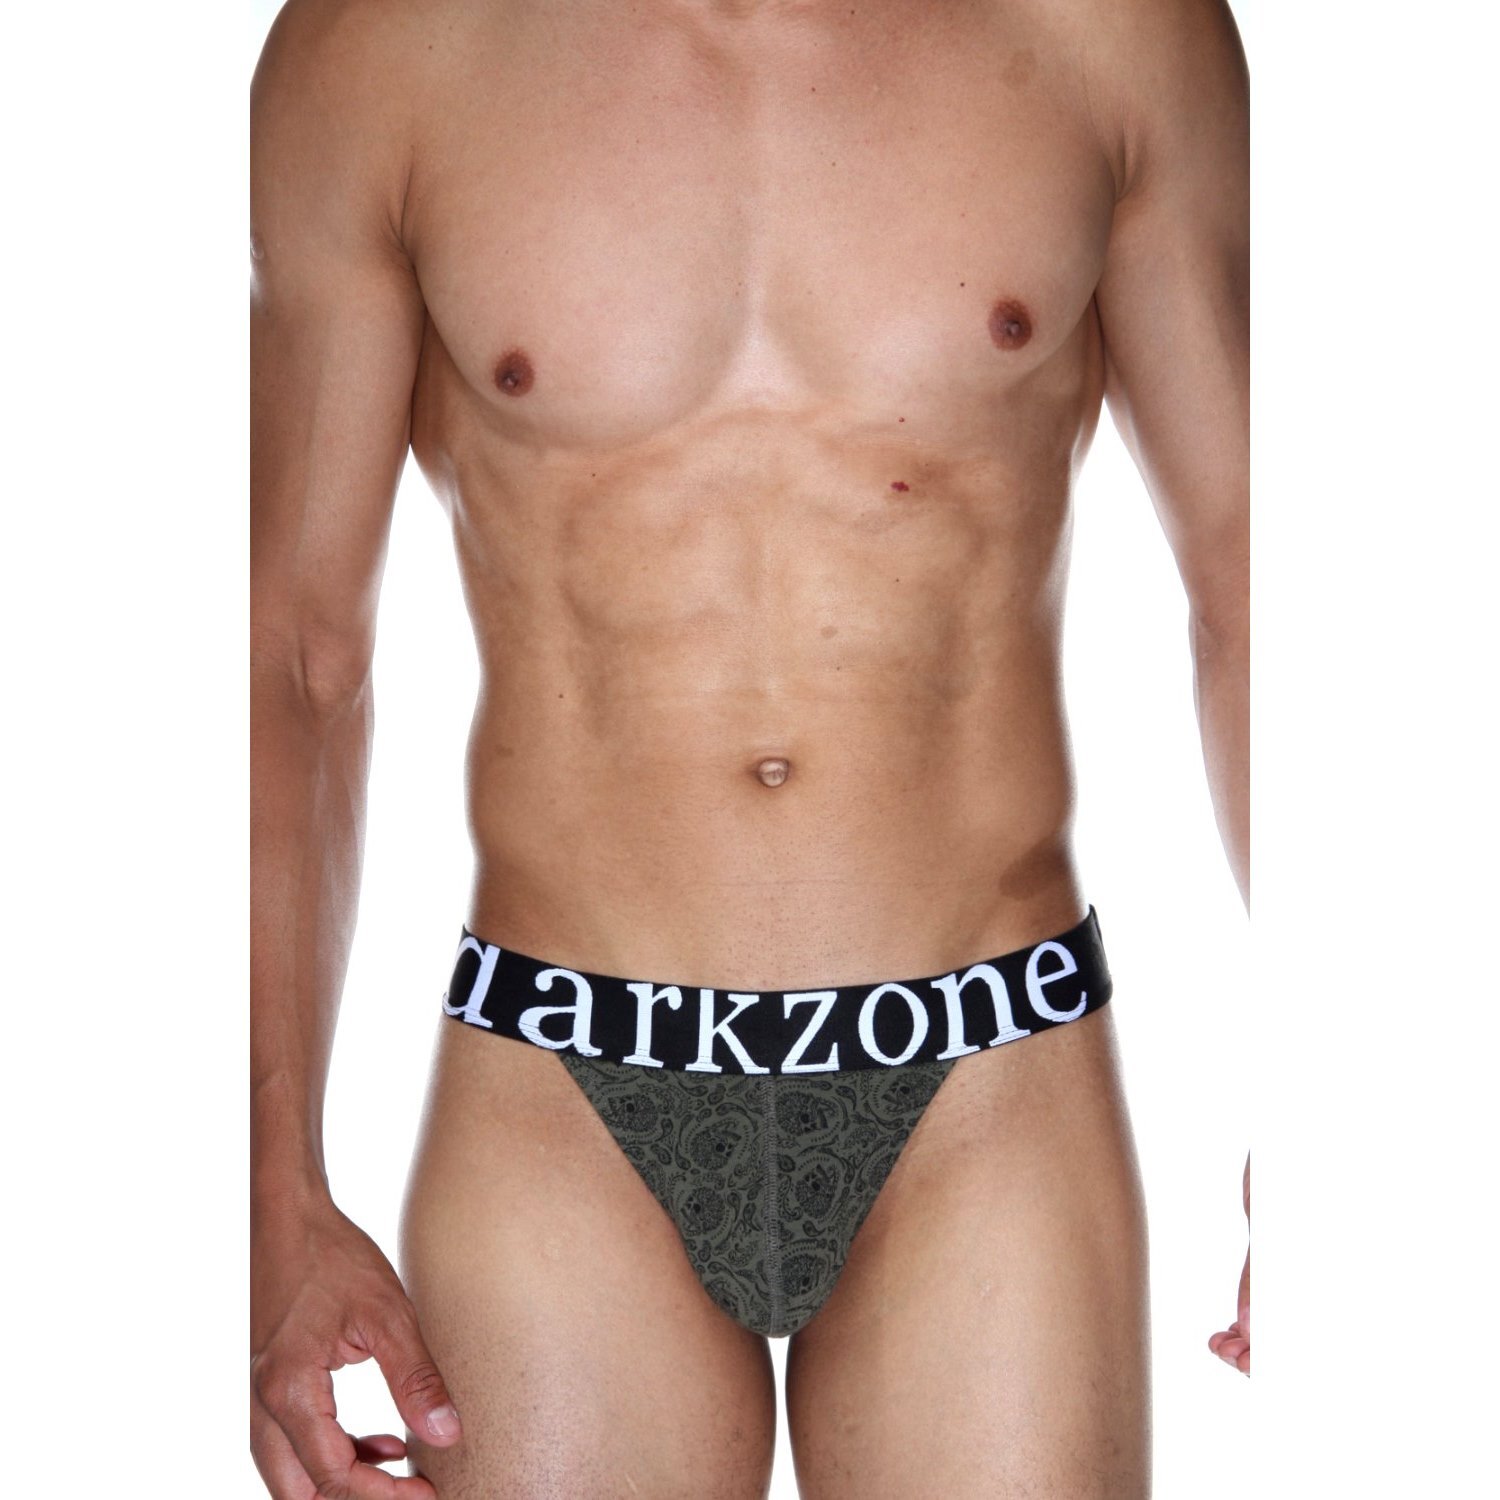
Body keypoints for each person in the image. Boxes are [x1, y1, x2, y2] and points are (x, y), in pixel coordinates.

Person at [249, 0, 1248, 1492]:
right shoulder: (386, 48)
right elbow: (295, 656)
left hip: (986, 1074)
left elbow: (1254, 578)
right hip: (564, 1084)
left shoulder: (1109, 31)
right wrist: (271, 1192)